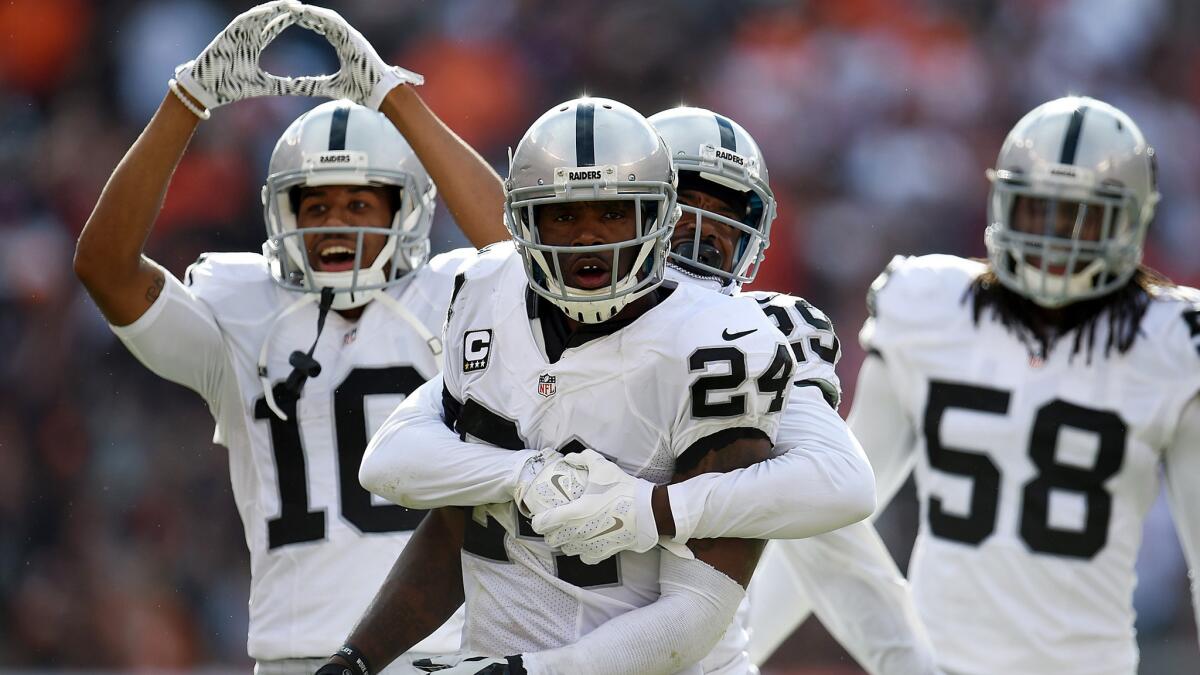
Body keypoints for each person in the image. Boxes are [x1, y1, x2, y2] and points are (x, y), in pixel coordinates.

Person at [73, 2, 508, 672]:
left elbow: (530, 260)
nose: (336, 223)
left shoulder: (453, 297)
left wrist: (395, 99)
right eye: (316, 205)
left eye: (359, 203)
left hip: (448, 653)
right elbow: (104, 268)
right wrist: (187, 100)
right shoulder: (246, 310)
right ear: (282, 215)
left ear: (407, 209)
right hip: (294, 656)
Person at [323, 96, 811, 675]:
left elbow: (698, 608)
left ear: (657, 219)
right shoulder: (484, 292)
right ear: (524, 223)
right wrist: (356, 660)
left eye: (612, 214)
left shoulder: (719, 344)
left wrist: (529, 672)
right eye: (562, 214)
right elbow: (467, 523)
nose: (587, 237)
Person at [847, 95, 1200, 674]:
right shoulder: (928, 306)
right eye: (1039, 211)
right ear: (1002, 204)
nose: (1056, 239)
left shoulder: (1171, 344)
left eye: (1081, 217)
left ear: (1132, 221)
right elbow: (837, 511)